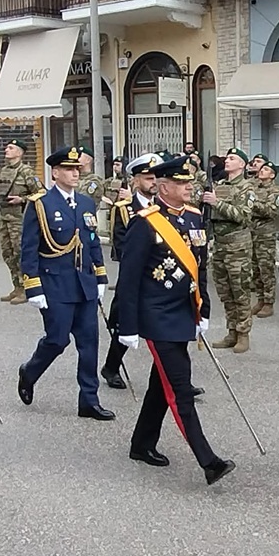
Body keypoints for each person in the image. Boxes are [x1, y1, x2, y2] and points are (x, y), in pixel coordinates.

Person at [115, 156, 235, 485]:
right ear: (164, 187)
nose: (188, 187)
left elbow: (199, 268)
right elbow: (129, 279)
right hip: (157, 316)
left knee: (161, 383)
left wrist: (203, 309)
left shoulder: (194, 218)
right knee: (180, 388)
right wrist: (127, 326)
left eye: (189, 182)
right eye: (181, 183)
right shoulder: (145, 223)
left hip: (183, 312)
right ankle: (209, 461)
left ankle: (142, 443)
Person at [16, 146, 114, 421]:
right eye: (68, 169)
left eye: (77, 169)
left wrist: (100, 276)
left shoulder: (85, 203)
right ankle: (29, 371)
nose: (74, 173)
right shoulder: (41, 204)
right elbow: (29, 248)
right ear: (55, 173)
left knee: (89, 343)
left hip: (84, 282)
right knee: (57, 341)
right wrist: (33, 286)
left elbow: (91, 241)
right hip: (55, 283)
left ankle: (89, 401)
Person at [101, 151, 160, 390]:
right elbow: (121, 245)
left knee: (165, 331)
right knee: (125, 324)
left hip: (161, 277)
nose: (154, 182)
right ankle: (111, 367)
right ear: (135, 181)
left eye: (156, 178)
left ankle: (174, 378)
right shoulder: (125, 208)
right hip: (136, 276)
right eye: (148, 178)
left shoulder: (164, 207)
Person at [202, 148, 256, 353]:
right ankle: (232, 331)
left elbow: (243, 215)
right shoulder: (220, 185)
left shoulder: (246, 188)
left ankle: (243, 334)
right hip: (220, 245)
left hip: (238, 247)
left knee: (240, 291)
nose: (227, 161)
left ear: (242, 164)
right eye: (227, 158)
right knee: (225, 292)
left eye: (232, 158)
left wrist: (217, 203)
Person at [0, 139, 44, 304]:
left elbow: (41, 193)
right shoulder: (3, 171)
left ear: (20, 152)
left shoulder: (26, 172)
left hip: (20, 219)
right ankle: (16, 286)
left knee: (20, 254)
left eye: (11, 148)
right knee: (8, 253)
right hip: (4, 218)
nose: (6, 150)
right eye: (7, 147)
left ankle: (26, 289)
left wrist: (22, 199)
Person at [250, 157, 279, 318]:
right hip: (252, 232)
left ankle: (269, 302)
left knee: (266, 269)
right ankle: (260, 299)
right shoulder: (253, 187)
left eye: (266, 170)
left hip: (265, 235)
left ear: (272, 175)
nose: (262, 171)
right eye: (261, 169)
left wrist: (252, 203)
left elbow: (271, 211)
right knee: (255, 269)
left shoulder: (275, 192)